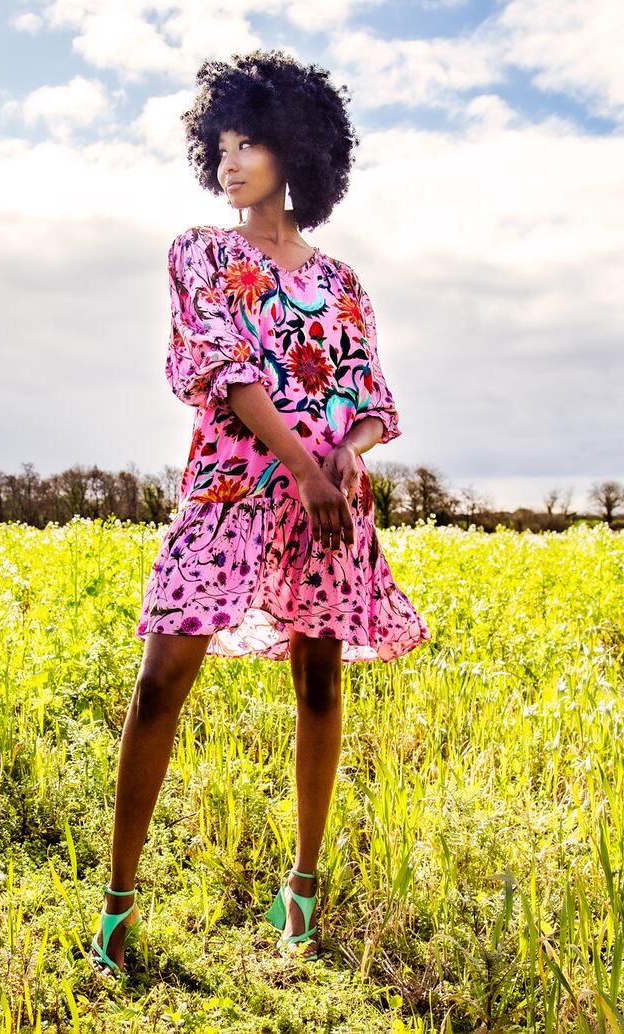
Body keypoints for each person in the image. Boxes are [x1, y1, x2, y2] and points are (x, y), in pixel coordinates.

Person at [89, 49, 431, 978]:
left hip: (327, 507)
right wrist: (301, 466)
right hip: (231, 492)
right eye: (223, 143)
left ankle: (303, 893)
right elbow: (218, 369)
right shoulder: (199, 253)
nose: (232, 161)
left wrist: (342, 459)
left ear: (299, 151)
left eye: (254, 142)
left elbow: (370, 393)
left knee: (320, 684)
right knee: (161, 681)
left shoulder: (344, 282)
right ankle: (118, 903)